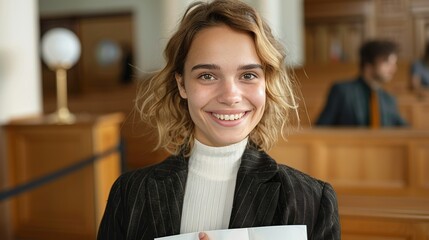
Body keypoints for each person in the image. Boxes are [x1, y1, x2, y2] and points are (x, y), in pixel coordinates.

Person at [97, 1, 340, 240]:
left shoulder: (312, 199)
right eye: (207, 75)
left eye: (248, 75)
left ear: (266, 82)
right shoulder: (129, 193)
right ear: (182, 84)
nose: (230, 96)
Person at [316, 40, 408, 127]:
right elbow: (321, 128)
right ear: (368, 65)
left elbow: (404, 129)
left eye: (394, 63)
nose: (393, 69)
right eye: (387, 63)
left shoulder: (389, 99)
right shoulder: (341, 91)